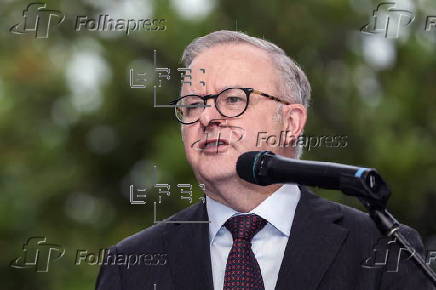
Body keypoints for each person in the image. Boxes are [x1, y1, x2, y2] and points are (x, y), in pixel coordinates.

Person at [96, 30, 434, 290]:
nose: (207, 117)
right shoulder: (130, 266)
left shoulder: (380, 247)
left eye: (232, 99)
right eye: (193, 104)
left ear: (291, 123)